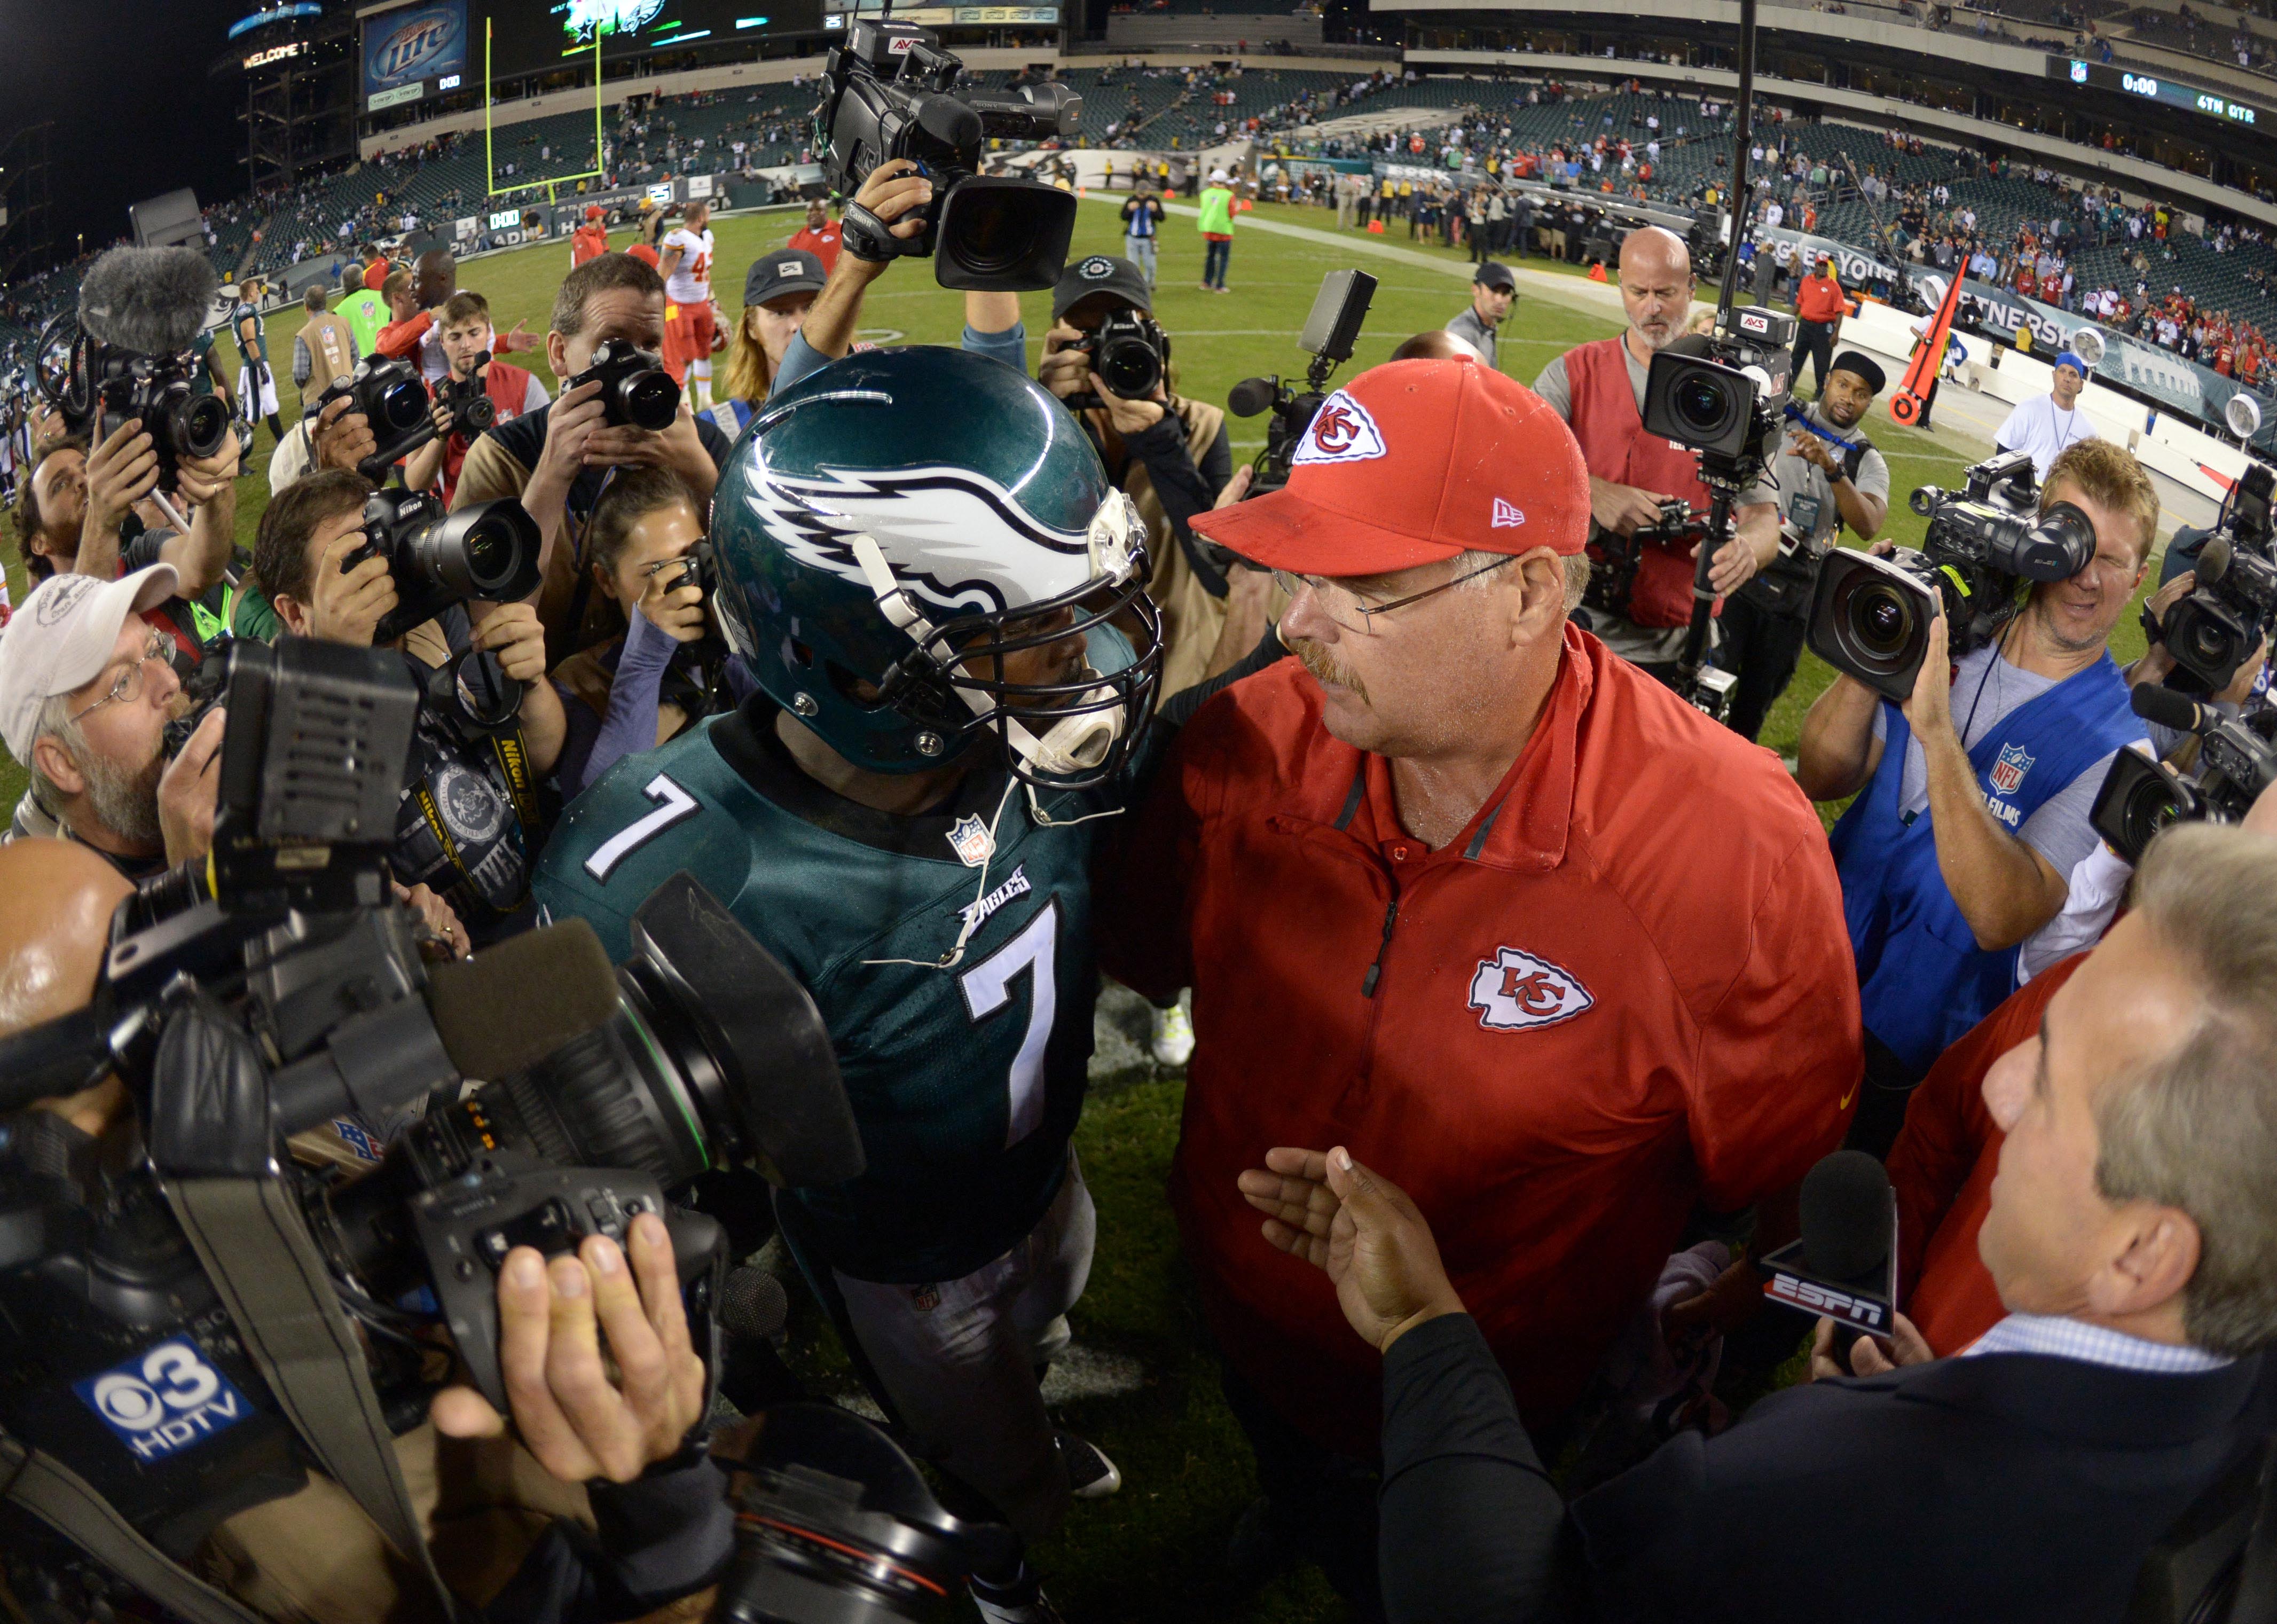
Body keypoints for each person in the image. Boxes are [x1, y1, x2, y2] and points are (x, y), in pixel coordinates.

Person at [1096, 357, 1862, 1615]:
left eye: (1360, 587)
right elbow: (1143, 953)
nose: (1296, 624)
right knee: (1292, 1470)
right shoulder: (1241, 739)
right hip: (1235, 1298)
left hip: (1489, 1386)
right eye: (1297, 569)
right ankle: (1291, 1498)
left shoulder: (1728, 850)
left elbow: (1776, 1162)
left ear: (1527, 591)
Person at [1248, 818, 2277, 1624]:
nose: (1998, 1089)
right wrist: (1931, 1400)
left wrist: (1422, 1325)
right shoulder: (2224, 1418)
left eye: (2050, 1083)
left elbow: (1508, 1600)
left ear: (2142, 1254)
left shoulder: (1809, 1499)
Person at [535, 348, 1155, 1624]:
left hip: (1044, 1167)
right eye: (1034, 630)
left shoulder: (1022, 736)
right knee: (986, 1452)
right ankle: (1005, 1547)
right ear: (868, 668)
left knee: (1049, 1295)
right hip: (906, 1260)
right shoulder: (668, 874)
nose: (1091, 653)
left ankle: (1036, 1393)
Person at [1796, 439, 2156, 1154]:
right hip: (1814, 960)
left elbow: (2002, 915)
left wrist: (1935, 729)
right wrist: (1876, 643)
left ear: (2139, 578)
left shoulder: (2120, 750)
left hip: (1920, 1048)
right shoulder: (1957, 626)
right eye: (2072, 544)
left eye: (2113, 561)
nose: (2086, 577)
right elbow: (1823, 774)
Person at [252, 469, 564, 944]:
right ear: (295, 613)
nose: (381, 574)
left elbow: (540, 759)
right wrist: (345, 669)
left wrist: (533, 684)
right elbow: (325, 885)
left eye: (380, 544)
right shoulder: (281, 731)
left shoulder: (425, 641)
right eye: (356, 563)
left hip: (549, 892)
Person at [450, 252, 736, 668]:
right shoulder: (501, 459)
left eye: (650, 344)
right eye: (611, 344)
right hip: (551, 694)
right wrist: (551, 476)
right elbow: (489, 631)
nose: (636, 362)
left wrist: (699, 472)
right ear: (559, 353)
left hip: (683, 686)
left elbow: (761, 580)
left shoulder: (697, 444)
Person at [1532, 228, 1780, 684]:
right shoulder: (1572, 374)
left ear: (1691, 289)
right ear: (1620, 286)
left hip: (1676, 644)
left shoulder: (1733, 393)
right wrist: (1593, 493)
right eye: (1638, 292)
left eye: (1665, 293)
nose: (1652, 307)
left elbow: (1764, 517)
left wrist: (1748, 549)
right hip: (1569, 627)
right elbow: (1516, 469)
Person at [0, 566, 230, 881]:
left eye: (153, 651)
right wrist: (197, 883)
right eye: (123, 682)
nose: (171, 681)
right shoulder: (77, 908)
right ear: (63, 763)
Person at [1713, 349, 1890, 742]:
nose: (1848, 398)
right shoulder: (1785, 412)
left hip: (1798, 587)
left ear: (1869, 402)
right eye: (1843, 384)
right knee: (1712, 679)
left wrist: (1833, 469)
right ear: (1827, 380)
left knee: (1755, 701)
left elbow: (1868, 524)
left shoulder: (1866, 458)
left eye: (1861, 393)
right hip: (1750, 559)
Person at [546, 464, 713, 797]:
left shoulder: (724, 648)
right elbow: (604, 810)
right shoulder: (581, 681)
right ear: (607, 581)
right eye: (656, 572)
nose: (682, 586)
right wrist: (644, 661)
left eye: (691, 560)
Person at [12, 420, 241, 657]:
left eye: (87, 470)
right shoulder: (36, 628)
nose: (84, 481)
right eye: (60, 485)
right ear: (39, 542)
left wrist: (214, 475)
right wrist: (100, 522)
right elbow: (78, 651)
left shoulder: (142, 558)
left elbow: (202, 569)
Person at [403, 291, 551, 506]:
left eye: (474, 333)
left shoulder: (524, 385)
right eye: (455, 337)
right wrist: (439, 437)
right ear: (442, 341)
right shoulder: (431, 400)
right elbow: (416, 485)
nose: (466, 345)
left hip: (520, 510)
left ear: (488, 332)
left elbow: (554, 457)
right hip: (462, 517)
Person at [701, 248, 827, 437]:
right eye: (780, 313)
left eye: (810, 308)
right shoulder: (718, 429)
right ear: (752, 327)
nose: (798, 325)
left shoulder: (867, 403)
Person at [1996, 349, 2101, 478]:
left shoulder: (2088, 431)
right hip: (2025, 489)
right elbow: (2004, 451)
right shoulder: (2029, 409)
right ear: (2054, 375)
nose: (2067, 379)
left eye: (2073, 375)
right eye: (2062, 371)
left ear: (2081, 385)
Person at [657, 198, 721, 408]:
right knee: (683, 356)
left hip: (701, 303)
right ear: (701, 218)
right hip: (680, 305)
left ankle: (705, 399)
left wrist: (712, 299)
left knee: (704, 352)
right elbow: (663, 273)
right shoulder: (678, 238)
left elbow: (706, 272)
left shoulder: (707, 237)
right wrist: (659, 303)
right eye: (708, 216)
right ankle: (685, 404)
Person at [230, 279, 286, 443]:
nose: (258, 292)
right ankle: (237, 451)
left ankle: (282, 446)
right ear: (250, 293)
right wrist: (261, 367)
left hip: (257, 364)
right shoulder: (246, 310)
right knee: (253, 417)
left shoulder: (246, 310)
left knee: (271, 408)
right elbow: (249, 341)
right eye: (256, 289)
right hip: (254, 366)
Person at [293, 284, 359, 415]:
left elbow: (300, 375)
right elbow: (356, 356)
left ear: (307, 307)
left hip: (318, 402)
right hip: (347, 395)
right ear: (325, 303)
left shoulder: (304, 335)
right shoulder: (344, 323)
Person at [1790, 253, 1847, 395]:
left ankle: (1820, 394)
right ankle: (1788, 387)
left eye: (1825, 265)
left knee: (1822, 364)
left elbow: (1840, 312)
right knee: (1796, 358)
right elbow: (1799, 303)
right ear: (1815, 266)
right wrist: (1789, 319)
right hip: (1805, 325)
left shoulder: (1834, 286)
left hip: (1823, 328)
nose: (1823, 268)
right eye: (1820, 265)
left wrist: (1836, 333)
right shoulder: (1806, 281)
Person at [1444, 261, 1517, 370]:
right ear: (1475, 290)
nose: (1499, 300)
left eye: (1505, 293)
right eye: (1494, 291)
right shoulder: (1462, 332)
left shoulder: (1487, 327)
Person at [336, 263, 388, 358]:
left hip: (362, 364)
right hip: (389, 358)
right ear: (362, 280)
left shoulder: (338, 312)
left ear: (343, 287)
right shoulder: (383, 297)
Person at [1122, 181, 1165, 287]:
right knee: (1133, 265)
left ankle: (1148, 284)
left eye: (1143, 192)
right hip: (1132, 238)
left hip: (1148, 239)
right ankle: (1135, 286)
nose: (1141, 195)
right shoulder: (1131, 200)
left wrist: (1155, 210)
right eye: (1140, 192)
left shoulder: (1154, 200)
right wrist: (1129, 209)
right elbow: (1123, 216)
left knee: (1150, 265)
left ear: (1148, 191)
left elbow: (1162, 218)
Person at [1199, 169, 1235, 292]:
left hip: (1209, 229)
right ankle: (1220, 285)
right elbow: (1231, 214)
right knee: (1223, 259)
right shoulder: (1229, 195)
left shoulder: (1205, 194)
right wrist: (1238, 208)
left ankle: (1207, 282)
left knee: (1210, 257)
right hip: (1224, 230)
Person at [788, 197, 842, 271]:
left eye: (818, 210)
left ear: (827, 211)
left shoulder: (841, 232)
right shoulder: (796, 240)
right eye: (810, 210)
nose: (814, 213)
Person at [570, 202, 610, 266]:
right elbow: (585, 267)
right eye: (601, 216)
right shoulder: (582, 239)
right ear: (596, 218)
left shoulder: (596, 235)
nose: (603, 218)